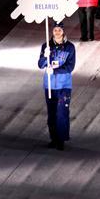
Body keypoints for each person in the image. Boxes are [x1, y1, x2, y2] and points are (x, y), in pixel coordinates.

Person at [37, 22, 76, 150]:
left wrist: (55, 70)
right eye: (55, 30)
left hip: (64, 86)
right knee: (52, 113)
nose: (57, 32)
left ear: (63, 31)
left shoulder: (70, 47)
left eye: (59, 30)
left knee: (62, 113)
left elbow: (70, 67)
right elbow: (40, 65)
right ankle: (53, 139)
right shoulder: (46, 46)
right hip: (49, 86)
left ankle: (61, 140)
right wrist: (45, 56)